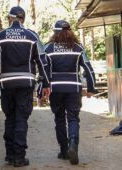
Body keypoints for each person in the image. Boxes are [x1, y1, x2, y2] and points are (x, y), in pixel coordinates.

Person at [0, 6, 50, 167]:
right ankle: (19, 157)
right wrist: (46, 83)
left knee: (10, 118)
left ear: (10, 18)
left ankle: (9, 155)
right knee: (21, 118)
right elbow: (42, 61)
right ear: (23, 19)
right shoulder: (32, 36)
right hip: (26, 83)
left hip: (6, 84)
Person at [44, 20, 97, 165]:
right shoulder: (77, 48)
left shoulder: (48, 48)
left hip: (56, 88)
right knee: (73, 118)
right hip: (74, 87)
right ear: (70, 32)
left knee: (59, 118)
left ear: (54, 32)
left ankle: (64, 150)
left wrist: (43, 87)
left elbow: (44, 70)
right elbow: (88, 69)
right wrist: (91, 88)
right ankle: (73, 142)